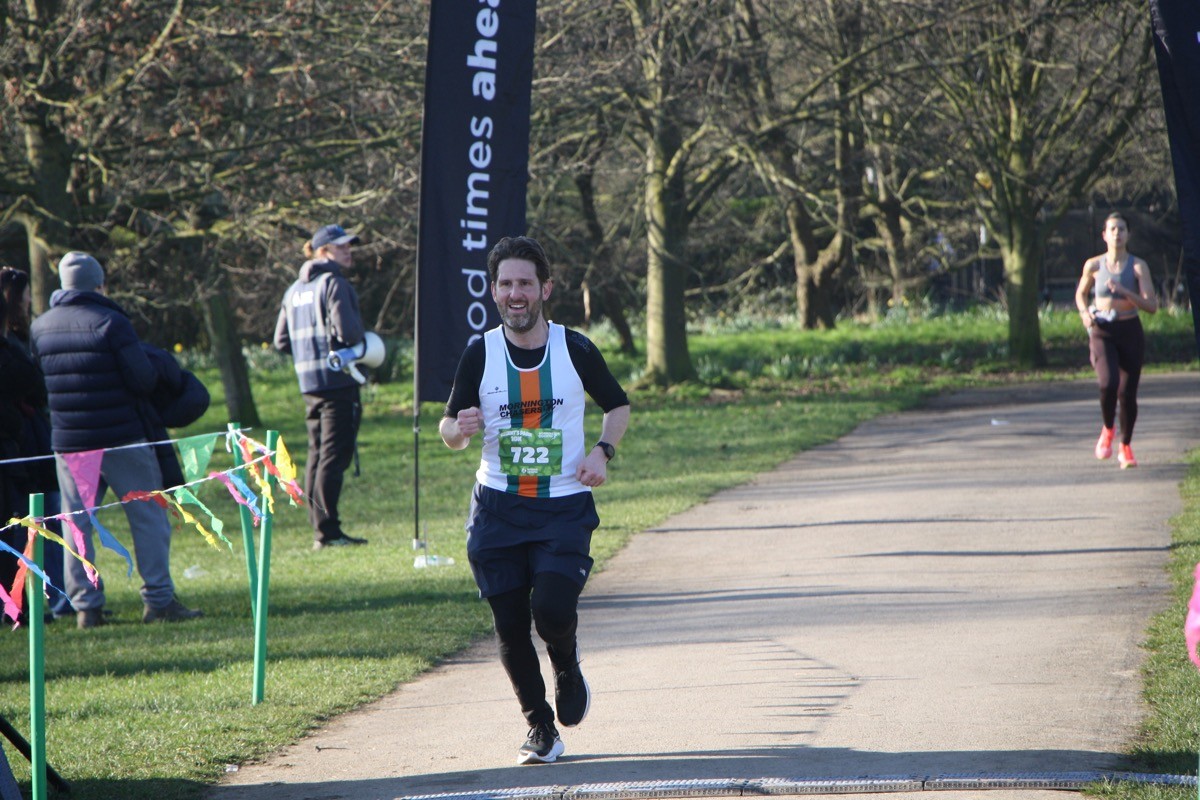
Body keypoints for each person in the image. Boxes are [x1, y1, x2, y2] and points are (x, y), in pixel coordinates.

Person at [439, 236, 630, 765]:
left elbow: (617, 405)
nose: (515, 293)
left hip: (563, 506)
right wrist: (459, 429)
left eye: (525, 283)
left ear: (545, 288)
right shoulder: (480, 352)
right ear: (493, 291)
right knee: (508, 624)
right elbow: (448, 428)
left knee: (551, 610)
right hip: (496, 508)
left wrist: (602, 452)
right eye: (506, 284)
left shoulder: (575, 348)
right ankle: (540, 727)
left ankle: (565, 662)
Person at [30, 252, 203, 628]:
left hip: (70, 441)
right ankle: (158, 599)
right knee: (147, 519)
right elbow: (142, 379)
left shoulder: (40, 327)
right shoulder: (111, 321)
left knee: (76, 525)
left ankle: (85, 606)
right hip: (121, 436)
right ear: (98, 284)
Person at [274, 224, 370, 550]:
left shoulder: (292, 290)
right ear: (322, 251)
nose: (348, 251)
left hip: (309, 384)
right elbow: (350, 334)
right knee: (333, 456)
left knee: (317, 456)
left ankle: (321, 529)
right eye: (341, 246)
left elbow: (281, 341)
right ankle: (328, 532)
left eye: (349, 246)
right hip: (338, 382)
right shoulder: (334, 283)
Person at [0, 267, 69, 620]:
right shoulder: (11, 348)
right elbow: (29, 382)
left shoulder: (25, 338)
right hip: (20, 447)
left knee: (43, 521)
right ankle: (19, 603)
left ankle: (50, 597)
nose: (30, 300)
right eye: (25, 294)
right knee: (24, 525)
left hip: (29, 442)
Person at [1075, 212, 1159, 468]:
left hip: (1129, 330)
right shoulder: (1093, 265)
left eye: (1121, 229)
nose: (1117, 233)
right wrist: (1084, 313)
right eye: (1112, 229)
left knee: (1127, 393)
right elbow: (1080, 294)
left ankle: (1125, 446)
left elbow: (1151, 306)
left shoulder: (1137, 266)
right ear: (1104, 235)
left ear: (1128, 234)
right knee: (1108, 383)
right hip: (1102, 330)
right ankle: (1108, 429)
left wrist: (1125, 291)